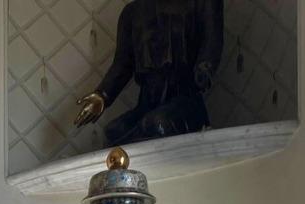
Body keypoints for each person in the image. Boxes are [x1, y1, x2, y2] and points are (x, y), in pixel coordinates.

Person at [74, 0, 224, 146]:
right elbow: (122, 64)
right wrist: (102, 96)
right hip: (148, 100)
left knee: (157, 123)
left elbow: (212, 43)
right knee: (114, 130)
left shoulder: (201, 3)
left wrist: (204, 69)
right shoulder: (132, 12)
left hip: (185, 96)